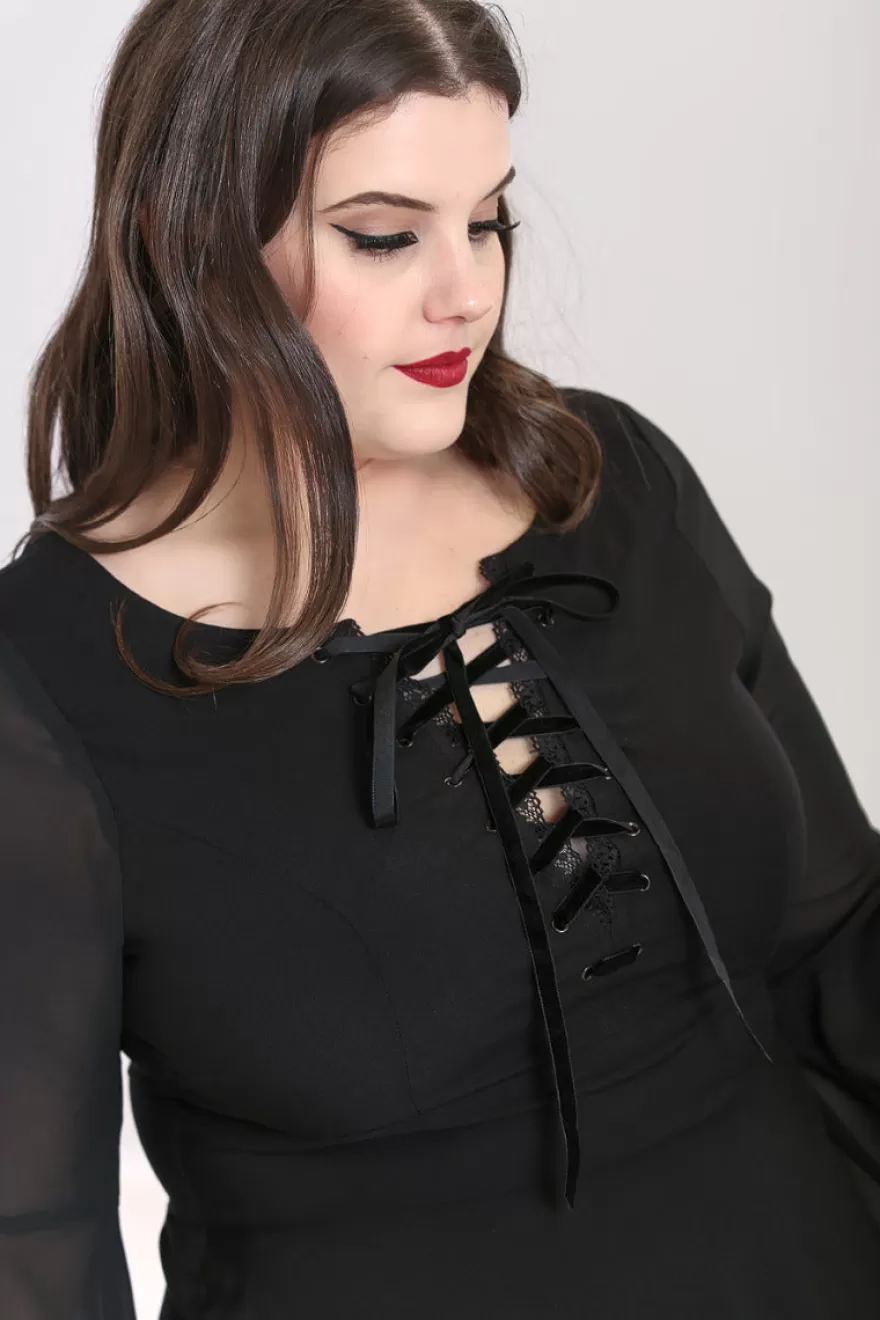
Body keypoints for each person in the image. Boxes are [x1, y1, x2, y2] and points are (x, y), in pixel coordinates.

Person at [1, 1, 878, 1316]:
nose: (467, 290)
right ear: (191, 241)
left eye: (489, 219)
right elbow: (32, 1246)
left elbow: (839, 946)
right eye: (385, 234)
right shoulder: (44, 682)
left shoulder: (613, 481)